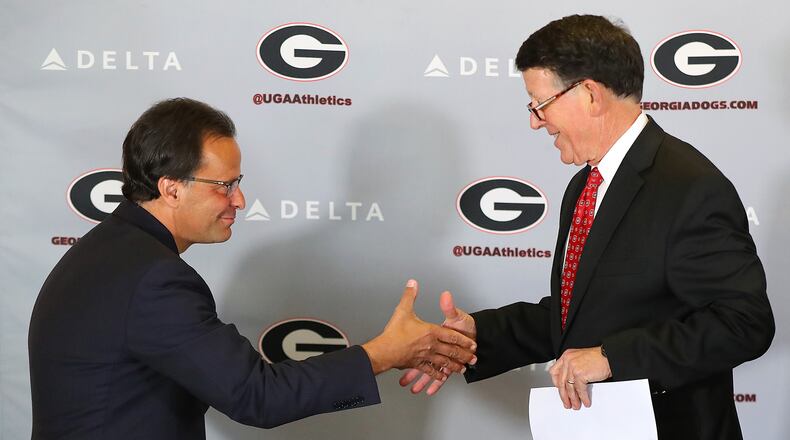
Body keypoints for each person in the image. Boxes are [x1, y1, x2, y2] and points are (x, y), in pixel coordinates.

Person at [400, 14, 774, 440]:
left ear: (590, 95)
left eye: (540, 104)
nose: (535, 122)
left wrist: (612, 358)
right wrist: (476, 337)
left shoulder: (690, 187)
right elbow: (577, 313)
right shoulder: (587, 183)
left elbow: (744, 323)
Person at [28, 98, 477, 440]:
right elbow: (256, 396)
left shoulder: (110, 253)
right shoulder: (154, 280)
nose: (239, 201)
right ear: (171, 189)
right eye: (225, 186)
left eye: (237, 184)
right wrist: (385, 352)